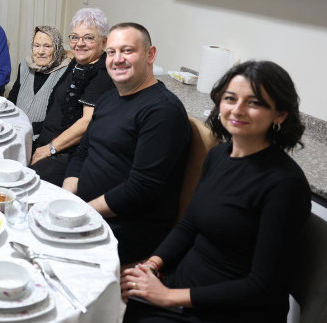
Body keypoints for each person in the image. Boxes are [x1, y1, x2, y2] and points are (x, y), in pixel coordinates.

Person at [121, 61, 310, 323]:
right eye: (230, 98)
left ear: (280, 115)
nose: (237, 109)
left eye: (253, 103)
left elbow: (262, 287)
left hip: (231, 310)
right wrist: (152, 264)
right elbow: (188, 225)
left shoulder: (285, 185)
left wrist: (167, 297)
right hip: (184, 285)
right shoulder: (219, 155)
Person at [64, 22, 190, 264]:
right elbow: (83, 151)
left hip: (126, 228)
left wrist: (84, 211)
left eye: (127, 51)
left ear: (150, 54)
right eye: (111, 52)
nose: (117, 59)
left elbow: (141, 188)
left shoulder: (162, 111)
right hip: (89, 212)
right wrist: (68, 196)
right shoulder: (109, 98)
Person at [28, 9, 115, 185]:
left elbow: (87, 122)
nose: (79, 44)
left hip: (67, 154)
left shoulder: (101, 73)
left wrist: (48, 149)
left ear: (104, 42)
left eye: (89, 38)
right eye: (75, 37)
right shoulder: (77, 62)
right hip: (48, 140)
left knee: (26, 184)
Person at [7, 26, 69, 137]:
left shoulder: (66, 72)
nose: (40, 52)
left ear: (57, 48)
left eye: (47, 46)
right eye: (37, 45)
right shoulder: (25, 65)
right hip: (15, 129)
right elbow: (13, 97)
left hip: (44, 136)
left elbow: (59, 117)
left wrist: (28, 128)